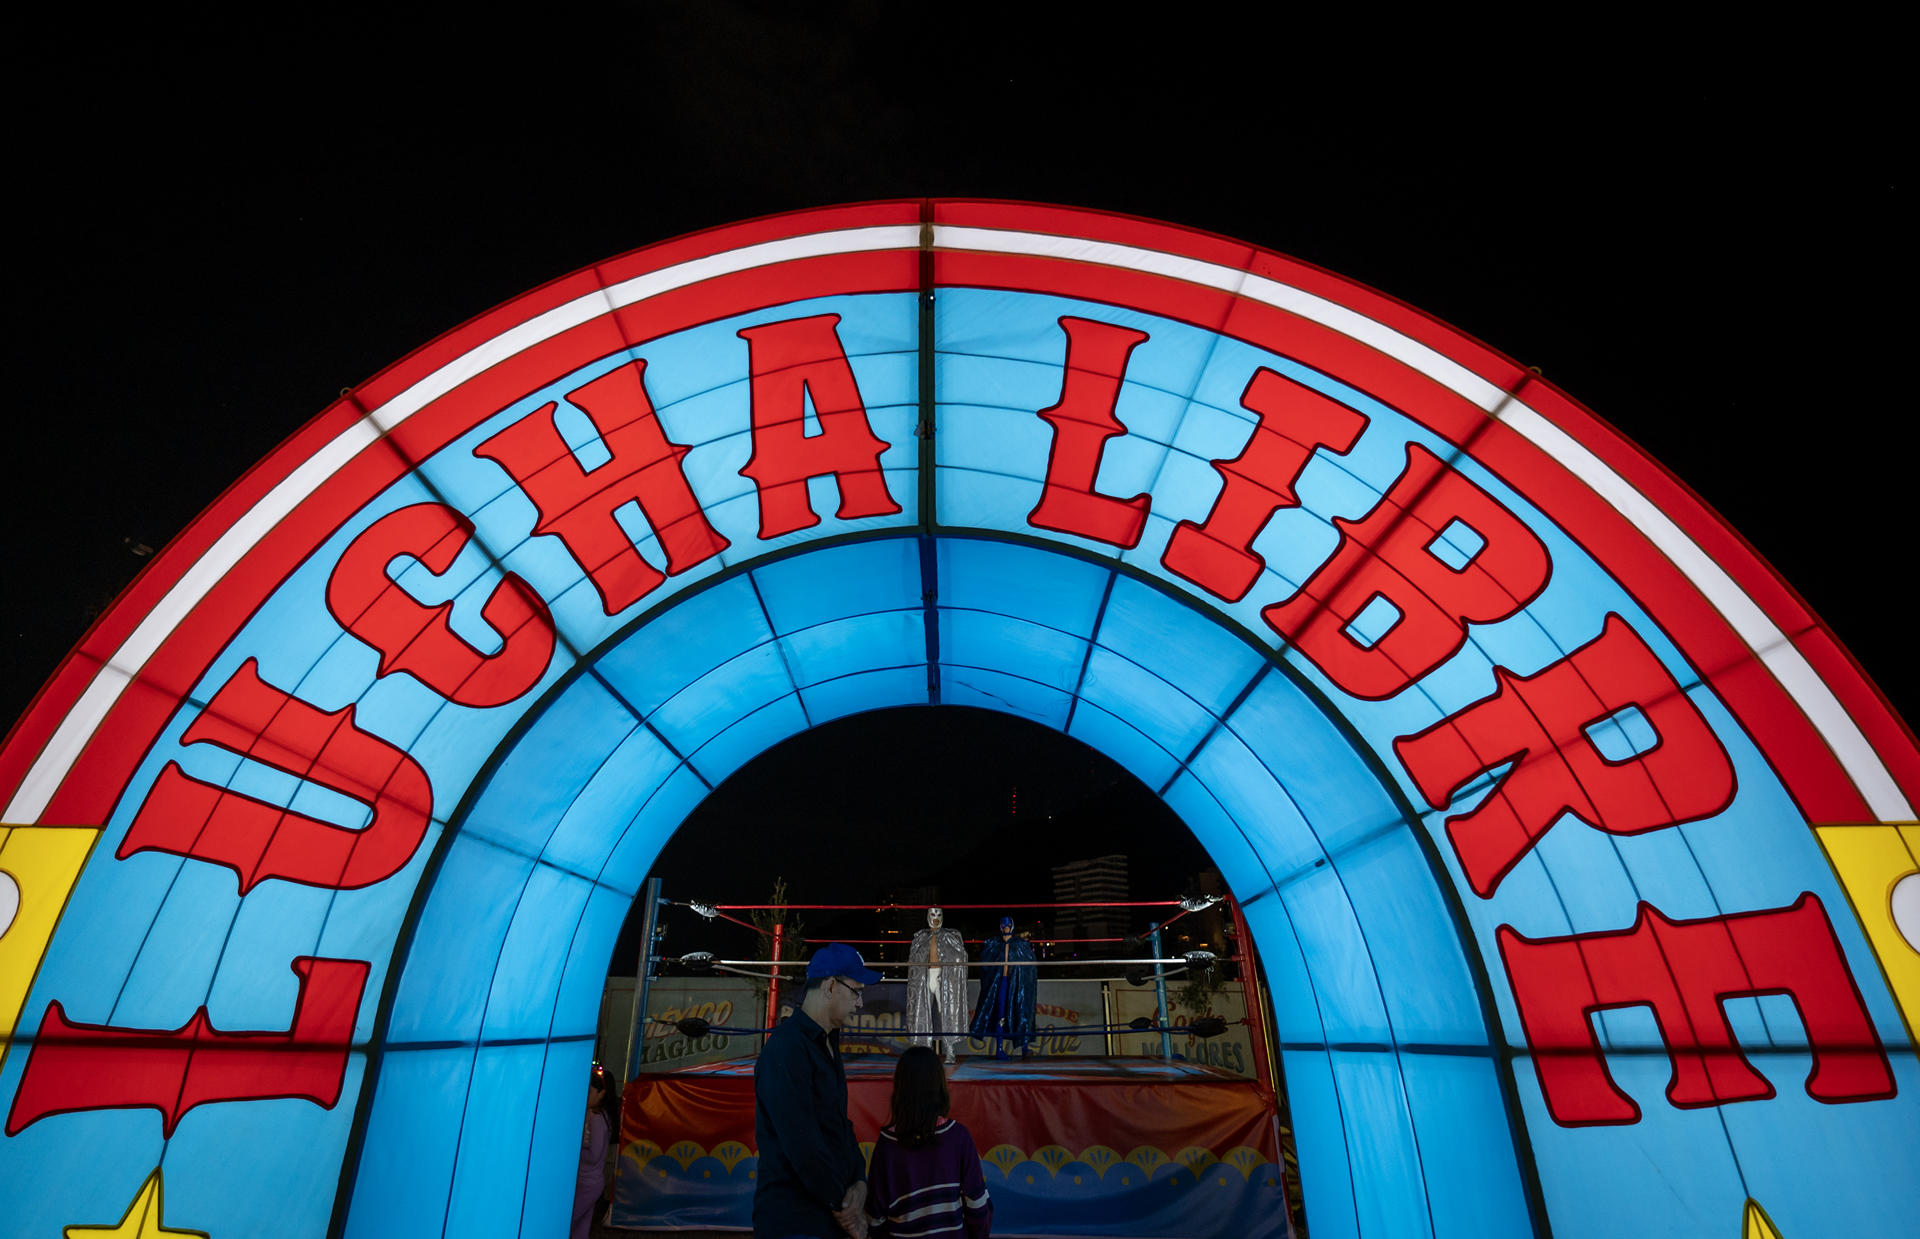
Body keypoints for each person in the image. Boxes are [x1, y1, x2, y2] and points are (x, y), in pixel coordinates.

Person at [754, 942, 882, 1239]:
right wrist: (847, 1211)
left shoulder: (828, 1042)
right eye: (856, 991)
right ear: (829, 987)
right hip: (794, 1220)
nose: (860, 1003)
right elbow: (802, 1144)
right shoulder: (786, 1049)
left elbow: (839, 1123)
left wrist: (860, 1183)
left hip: (826, 1215)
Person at [864, 1047, 992, 1238]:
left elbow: (875, 1217)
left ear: (899, 1089)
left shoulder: (887, 1145)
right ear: (940, 1086)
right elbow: (977, 1205)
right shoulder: (958, 1136)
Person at [906, 906, 968, 1063]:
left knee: (947, 1012)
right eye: (933, 914)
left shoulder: (951, 936)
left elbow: (961, 956)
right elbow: (914, 960)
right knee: (922, 1011)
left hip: (943, 977)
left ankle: (950, 1051)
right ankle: (924, 1051)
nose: (936, 917)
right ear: (928, 916)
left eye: (939, 914)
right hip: (924, 978)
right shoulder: (920, 937)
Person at [967, 916, 1036, 1058]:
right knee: (1000, 1014)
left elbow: (1029, 965)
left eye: (1008, 925)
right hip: (1000, 983)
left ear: (1012, 926)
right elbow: (986, 963)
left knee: (1021, 1011)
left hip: (1016, 984)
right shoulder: (994, 944)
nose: (1006, 927)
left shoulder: (1020, 944)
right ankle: (999, 1049)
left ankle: (1024, 1046)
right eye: (1003, 925)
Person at [572, 1063, 616, 1239]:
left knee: (569, 1222)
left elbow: (594, 1156)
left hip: (589, 1183)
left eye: (589, 1092)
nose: (585, 1095)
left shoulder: (598, 1119)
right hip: (586, 1181)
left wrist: (573, 1153)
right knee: (580, 1229)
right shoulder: (592, 1113)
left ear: (602, 1094)